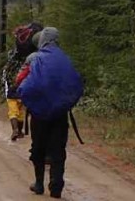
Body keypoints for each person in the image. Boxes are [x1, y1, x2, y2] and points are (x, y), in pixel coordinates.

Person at [18, 27, 83, 199]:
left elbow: (22, 83)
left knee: (38, 148)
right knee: (58, 150)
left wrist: (29, 100)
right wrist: (66, 102)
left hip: (39, 113)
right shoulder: (64, 59)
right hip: (60, 114)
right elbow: (75, 82)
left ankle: (39, 184)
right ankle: (56, 186)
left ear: (42, 40)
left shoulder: (35, 59)